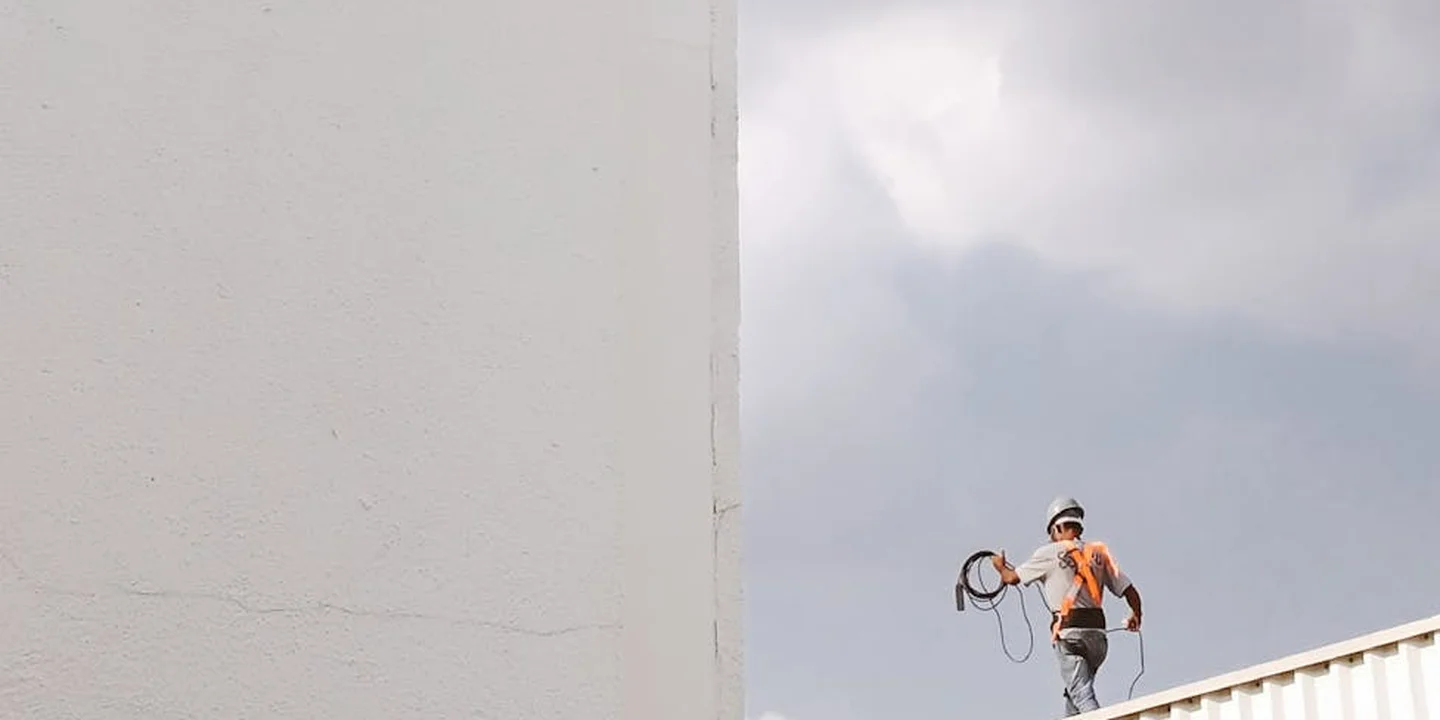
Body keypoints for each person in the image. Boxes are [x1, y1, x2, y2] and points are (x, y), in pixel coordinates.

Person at [989, 496, 1143, 717]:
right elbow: (1130, 590)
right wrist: (1136, 614)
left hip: (1070, 633)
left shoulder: (1048, 553)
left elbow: (1012, 578)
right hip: (1098, 637)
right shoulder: (1099, 553)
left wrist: (1000, 566)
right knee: (1075, 695)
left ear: (1057, 527)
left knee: (1081, 693)